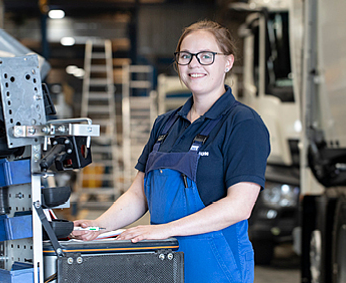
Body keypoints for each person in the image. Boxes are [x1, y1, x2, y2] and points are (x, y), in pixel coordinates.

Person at [72, 20, 270, 283]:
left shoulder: (242, 123)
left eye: (206, 56)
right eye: (186, 56)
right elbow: (138, 195)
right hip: (163, 265)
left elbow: (239, 206)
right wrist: (97, 228)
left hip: (217, 271)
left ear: (228, 62)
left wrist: (164, 231)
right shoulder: (165, 124)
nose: (194, 64)